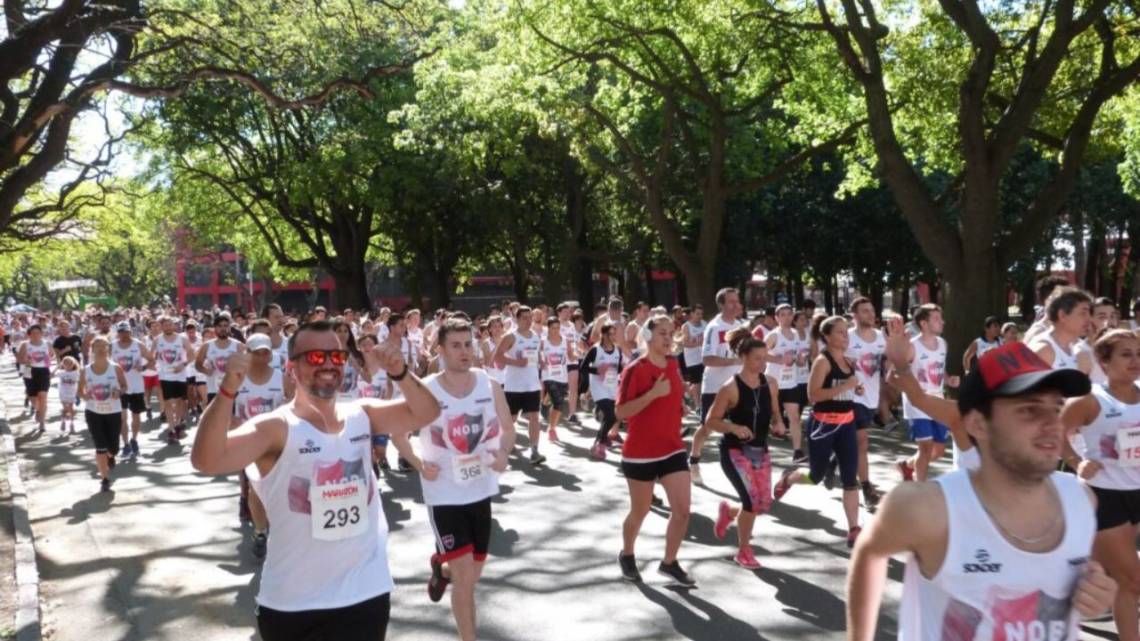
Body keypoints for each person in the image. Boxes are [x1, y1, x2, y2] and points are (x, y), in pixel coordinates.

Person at [846, 340, 1116, 641]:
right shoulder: (927, 509)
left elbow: (1075, 585)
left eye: (1055, 408)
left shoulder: (1081, 501)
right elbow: (869, 553)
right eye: (1029, 410)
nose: (1053, 424)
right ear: (977, 424)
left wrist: (1097, 592)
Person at [190, 320, 441, 641]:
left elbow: (426, 413)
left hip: (364, 594)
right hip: (294, 604)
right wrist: (227, 391)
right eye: (314, 357)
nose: (327, 365)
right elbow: (206, 460)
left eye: (335, 357)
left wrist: (401, 373)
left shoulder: (361, 414)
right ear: (292, 368)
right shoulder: (276, 427)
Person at [390, 319, 515, 641]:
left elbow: (508, 428)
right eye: (456, 346)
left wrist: (503, 453)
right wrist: (418, 463)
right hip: (443, 494)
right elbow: (397, 433)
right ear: (441, 350)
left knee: (471, 574)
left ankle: (440, 568)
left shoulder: (490, 385)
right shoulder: (427, 389)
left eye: (468, 344)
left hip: (480, 491)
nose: (464, 351)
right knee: (465, 580)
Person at [1060, 329, 1140, 641]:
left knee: (1123, 581)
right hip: (1105, 495)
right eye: (1126, 354)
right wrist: (1077, 461)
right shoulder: (1090, 401)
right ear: (1104, 362)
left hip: (1138, 492)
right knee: (1131, 578)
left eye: (1138, 354)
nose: (1135, 361)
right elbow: (1056, 434)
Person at [615, 314, 695, 586]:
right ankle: (627, 554)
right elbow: (621, 411)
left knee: (683, 510)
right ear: (648, 336)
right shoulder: (635, 369)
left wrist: (678, 405)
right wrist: (653, 395)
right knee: (641, 510)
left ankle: (669, 562)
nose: (668, 338)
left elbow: (671, 395)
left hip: (672, 448)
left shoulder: (673, 364)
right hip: (640, 452)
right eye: (662, 333)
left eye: (671, 333)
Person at [773, 316, 865, 547]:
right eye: (840, 332)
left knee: (850, 479)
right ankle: (789, 478)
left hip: (846, 424)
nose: (845, 336)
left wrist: (857, 388)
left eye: (846, 332)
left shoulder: (848, 361)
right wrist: (846, 386)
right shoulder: (822, 362)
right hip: (824, 425)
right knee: (815, 476)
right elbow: (813, 396)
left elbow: (848, 388)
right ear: (827, 336)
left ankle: (854, 528)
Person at [706, 327, 785, 569]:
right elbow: (711, 421)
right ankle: (743, 551)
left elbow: (774, 412)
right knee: (751, 503)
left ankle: (729, 512)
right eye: (757, 359)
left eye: (765, 358)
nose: (762, 364)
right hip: (734, 452)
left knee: (762, 503)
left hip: (760, 451)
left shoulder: (770, 384)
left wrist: (778, 423)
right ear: (743, 358)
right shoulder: (730, 388)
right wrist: (734, 428)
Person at [231, 333, 293, 559]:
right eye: (256, 352)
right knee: (255, 487)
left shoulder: (280, 377)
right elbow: (229, 410)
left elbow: (293, 404)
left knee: (281, 487)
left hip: (278, 442)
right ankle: (259, 531)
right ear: (248, 353)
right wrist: (235, 426)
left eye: (265, 351)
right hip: (250, 441)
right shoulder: (239, 378)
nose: (262, 355)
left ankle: (280, 527)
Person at [897, 304, 959, 482]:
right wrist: (913, 391)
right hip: (917, 404)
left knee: (938, 451)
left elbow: (940, 370)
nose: (942, 322)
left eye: (941, 318)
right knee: (925, 448)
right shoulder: (912, 347)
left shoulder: (942, 344)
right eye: (937, 319)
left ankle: (907, 465)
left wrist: (948, 380)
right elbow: (895, 374)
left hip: (937, 402)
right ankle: (920, 490)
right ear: (924, 324)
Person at [690, 287, 746, 486]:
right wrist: (733, 361)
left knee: (739, 427)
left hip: (736, 387)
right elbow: (707, 359)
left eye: (737, 301)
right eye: (730, 302)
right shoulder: (714, 327)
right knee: (707, 428)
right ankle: (694, 460)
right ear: (721, 305)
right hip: (714, 387)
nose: (735, 305)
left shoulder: (741, 326)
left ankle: (741, 470)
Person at [491, 306, 546, 465]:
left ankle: (534, 450)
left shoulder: (535, 336)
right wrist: (516, 362)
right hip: (514, 386)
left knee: (535, 417)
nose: (529, 321)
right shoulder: (511, 337)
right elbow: (497, 358)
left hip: (532, 385)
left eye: (530, 318)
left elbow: (535, 355)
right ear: (517, 319)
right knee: (511, 420)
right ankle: (500, 447)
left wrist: (541, 361)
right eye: (525, 318)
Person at [845, 297, 886, 507]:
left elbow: (887, 364)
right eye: (864, 311)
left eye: (871, 310)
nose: (870, 314)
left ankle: (836, 460)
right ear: (855, 315)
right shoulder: (847, 338)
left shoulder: (880, 337)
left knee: (852, 443)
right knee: (862, 441)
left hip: (872, 397)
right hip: (851, 397)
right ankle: (867, 488)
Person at [78, 337, 129, 492]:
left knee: (113, 448)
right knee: (100, 447)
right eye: (97, 346)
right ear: (92, 350)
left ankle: (111, 455)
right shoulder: (85, 370)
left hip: (113, 412)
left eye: (104, 346)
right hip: (93, 412)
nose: (100, 349)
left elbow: (125, 386)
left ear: (108, 349)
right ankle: (105, 479)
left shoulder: (116, 368)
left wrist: (119, 392)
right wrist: (84, 395)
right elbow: (80, 390)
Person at [765, 304, 808, 463]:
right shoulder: (773, 336)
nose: (786, 318)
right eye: (782, 315)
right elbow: (760, 353)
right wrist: (779, 359)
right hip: (773, 382)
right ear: (776, 318)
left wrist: (801, 360)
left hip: (791, 382)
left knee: (795, 417)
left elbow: (798, 357)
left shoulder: (796, 334)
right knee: (768, 417)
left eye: (789, 314)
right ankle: (758, 448)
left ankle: (797, 452)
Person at [1028, 287, 1093, 376]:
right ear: (1062, 315)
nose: (1089, 319)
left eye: (1089, 313)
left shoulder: (1079, 351)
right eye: (1083, 313)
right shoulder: (1044, 350)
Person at [585, 322, 625, 459]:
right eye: (611, 334)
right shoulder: (595, 350)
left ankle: (599, 442)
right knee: (611, 415)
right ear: (604, 335)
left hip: (612, 386)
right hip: (598, 388)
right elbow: (583, 367)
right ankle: (599, 445)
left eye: (615, 333)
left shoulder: (618, 350)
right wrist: (597, 370)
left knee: (611, 417)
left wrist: (621, 368)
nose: (614, 336)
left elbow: (618, 368)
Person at [112, 321, 151, 457]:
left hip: (136, 386)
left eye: (127, 332)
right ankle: (126, 444)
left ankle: (134, 439)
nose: (124, 335)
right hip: (120, 387)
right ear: (118, 333)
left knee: (136, 416)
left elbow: (151, 359)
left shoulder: (138, 345)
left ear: (130, 332)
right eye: (121, 332)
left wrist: (144, 367)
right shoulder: (112, 346)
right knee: (123, 417)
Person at [154, 316, 194, 443]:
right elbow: (150, 355)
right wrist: (148, 365)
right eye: (165, 325)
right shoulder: (157, 340)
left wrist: (183, 365)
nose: (168, 327)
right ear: (161, 327)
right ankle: (171, 429)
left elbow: (191, 354)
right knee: (168, 402)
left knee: (179, 402)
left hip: (180, 375)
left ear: (174, 325)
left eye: (170, 324)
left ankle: (177, 423)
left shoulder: (182, 338)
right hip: (165, 375)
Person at [539, 317, 571, 443]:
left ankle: (545, 401)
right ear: (548, 328)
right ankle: (552, 429)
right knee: (558, 402)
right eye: (553, 328)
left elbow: (571, 354)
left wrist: (577, 354)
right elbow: (536, 354)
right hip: (548, 375)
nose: (556, 330)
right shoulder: (543, 341)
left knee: (556, 401)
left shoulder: (565, 340)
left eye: (558, 328)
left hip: (562, 375)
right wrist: (541, 361)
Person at [17, 324, 52, 432]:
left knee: (43, 396)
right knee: (33, 399)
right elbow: (19, 359)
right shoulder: (25, 344)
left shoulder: (47, 344)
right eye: (33, 333)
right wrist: (25, 360)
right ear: (29, 335)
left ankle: (42, 422)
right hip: (29, 371)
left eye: (38, 333)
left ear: (41, 334)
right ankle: (38, 410)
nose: (36, 335)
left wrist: (49, 360)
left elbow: (52, 355)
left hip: (43, 371)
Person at [681, 304, 707, 412]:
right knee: (697, 382)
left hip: (704, 357)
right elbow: (685, 343)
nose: (700, 316)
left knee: (704, 380)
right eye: (697, 314)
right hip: (692, 359)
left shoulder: (705, 324)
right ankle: (697, 405)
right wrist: (698, 344)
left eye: (701, 314)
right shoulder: (686, 326)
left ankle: (701, 401)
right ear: (691, 314)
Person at [56, 356, 80, 434]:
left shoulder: (76, 373)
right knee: (65, 408)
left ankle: (71, 424)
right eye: (66, 364)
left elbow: (82, 379)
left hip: (72, 393)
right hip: (63, 393)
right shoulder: (61, 373)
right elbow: (51, 375)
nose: (68, 365)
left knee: (70, 408)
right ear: (63, 364)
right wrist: (57, 367)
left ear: (73, 364)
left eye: (70, 364)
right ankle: (63, 421)